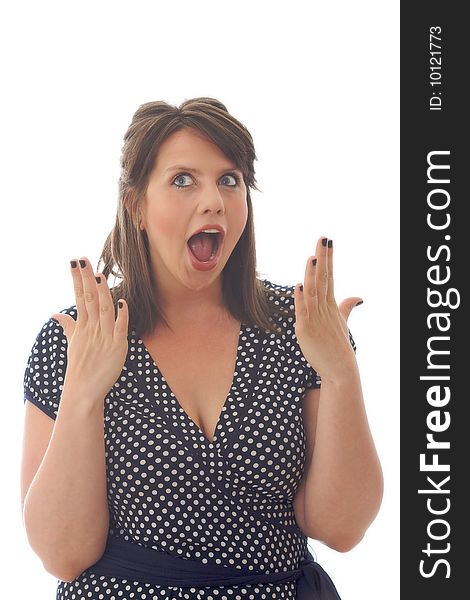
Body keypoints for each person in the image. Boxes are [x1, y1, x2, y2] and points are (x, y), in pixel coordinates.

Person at [20, 97, 383, 600]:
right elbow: (62, 554)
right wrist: (83, 393)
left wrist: (341, 373)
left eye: (229, 180)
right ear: (136, 205)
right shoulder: (75, 340)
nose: (213, 199)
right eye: (183, 180)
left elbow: (341, 529)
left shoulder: (300, 327)